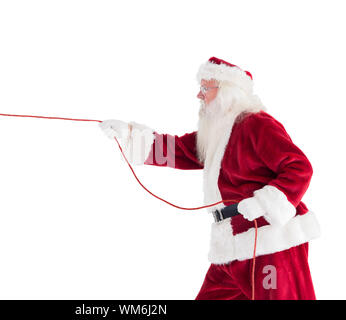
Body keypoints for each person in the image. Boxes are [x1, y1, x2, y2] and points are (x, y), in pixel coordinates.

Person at [99, 57, 320, 300]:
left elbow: (299, 167)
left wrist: (262, 204)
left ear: (227, 92)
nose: (199, 95)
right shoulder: (217, 133)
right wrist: (129, 134)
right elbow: (178, 151)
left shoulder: (256, 125)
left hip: (268, 245)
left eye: (206, 88)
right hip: (231, 247)